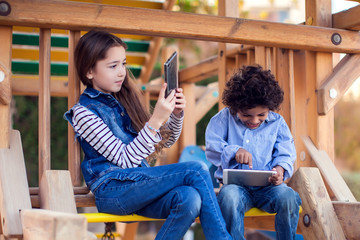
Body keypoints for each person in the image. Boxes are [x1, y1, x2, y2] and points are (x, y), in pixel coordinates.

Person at [64, 29, 232, 240]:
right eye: (113, 66)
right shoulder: (83, 113)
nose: (121, 72)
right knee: (197, 169)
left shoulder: (124, 101)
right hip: (113, 192)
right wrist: (156, 119)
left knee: (188, 198)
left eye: (123, 64)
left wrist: (176, 115)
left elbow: (163, 141)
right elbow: (125, 160)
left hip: (138, 186)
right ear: (89, 71)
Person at [205, 65, 301, 240]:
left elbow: (286, 153)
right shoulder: (223, 119)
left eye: (261, 115)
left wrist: (280, 170)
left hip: (268, 188)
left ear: (270, 108)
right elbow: (212, 147)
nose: (254, 120)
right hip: (236, 188)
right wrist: (234, 151)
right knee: (228, 197)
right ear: (235, 107)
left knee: (288, 196)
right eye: (247, 115)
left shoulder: (277, 123)